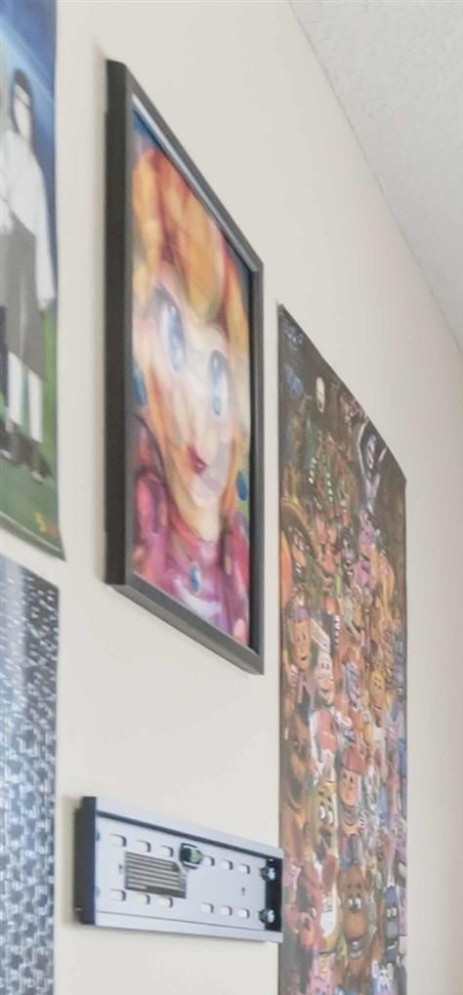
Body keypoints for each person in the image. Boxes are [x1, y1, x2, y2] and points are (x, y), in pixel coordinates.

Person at [126, 130, 251, 643]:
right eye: (174, 340)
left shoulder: (240, 567)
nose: (198, 420)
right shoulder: (144, 517)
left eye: (218, 378)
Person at [0, 68, 50, 476]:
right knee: (15, 350)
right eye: (15, 103)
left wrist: (45, 285)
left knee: (32, 357)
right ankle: (15, 431)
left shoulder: (34, 168)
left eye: (26, 105)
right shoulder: (9, 150)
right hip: (12, 250)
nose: (21, 111)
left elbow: (44, 232)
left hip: (31, 260)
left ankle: (32, 442)